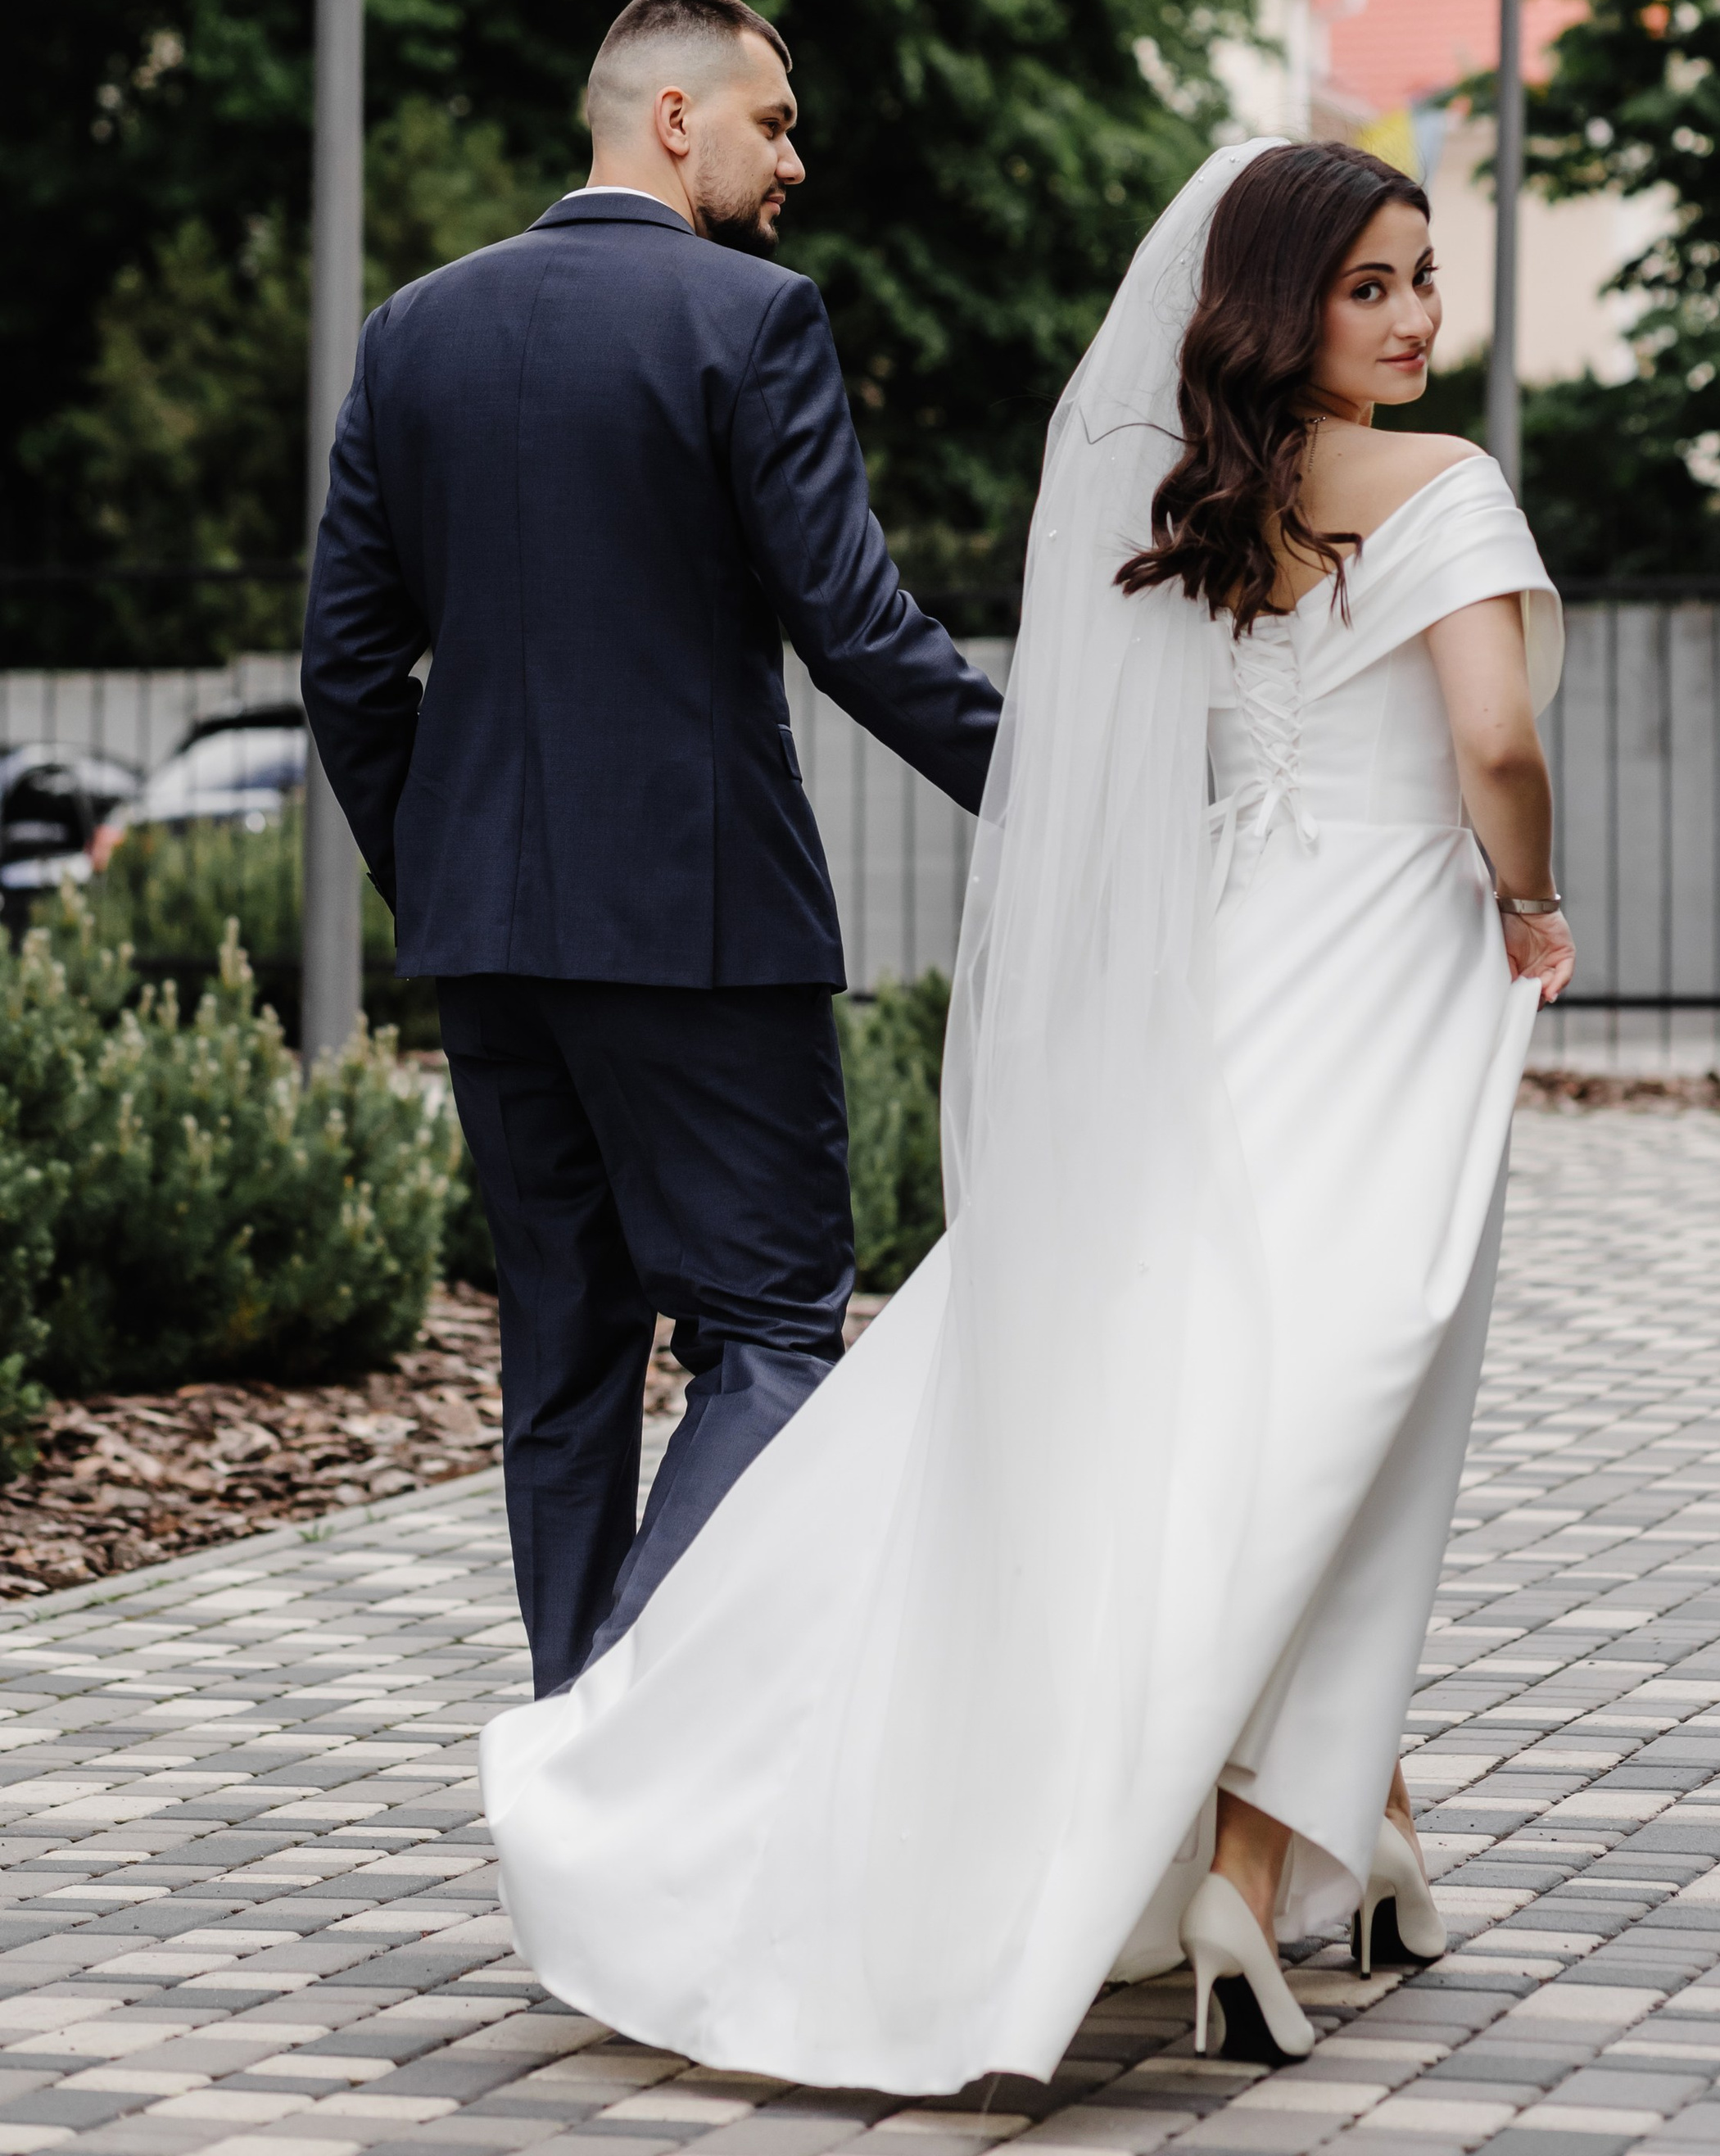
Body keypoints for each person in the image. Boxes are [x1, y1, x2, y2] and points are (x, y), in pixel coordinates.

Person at [478, 137, 1570, 2088]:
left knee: (1224, 1386)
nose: (1412, 317)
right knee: (1338, 1398)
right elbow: (1491, 741)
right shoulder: (1448, 489)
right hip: (1393, 979)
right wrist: (1530, 895)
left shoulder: (1202, 504)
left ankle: (1343, 1830)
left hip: (1224, 976)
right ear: (1282, 305)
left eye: (1420, 279)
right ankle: (1244, 1855)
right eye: (1368, 286)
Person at [301, 0, 1003, 1701]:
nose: (796, 157)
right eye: (771, 120)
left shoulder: (413, 331)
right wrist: (1071, 794)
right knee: (766, 1332)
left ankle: (574, 1765)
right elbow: (854, 630)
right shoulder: (749, 319)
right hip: (700, 933)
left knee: (562, 1364)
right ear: (673, 119)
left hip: (487, 940)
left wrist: (449, 872)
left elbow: (346, 662)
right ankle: (613, 1719)